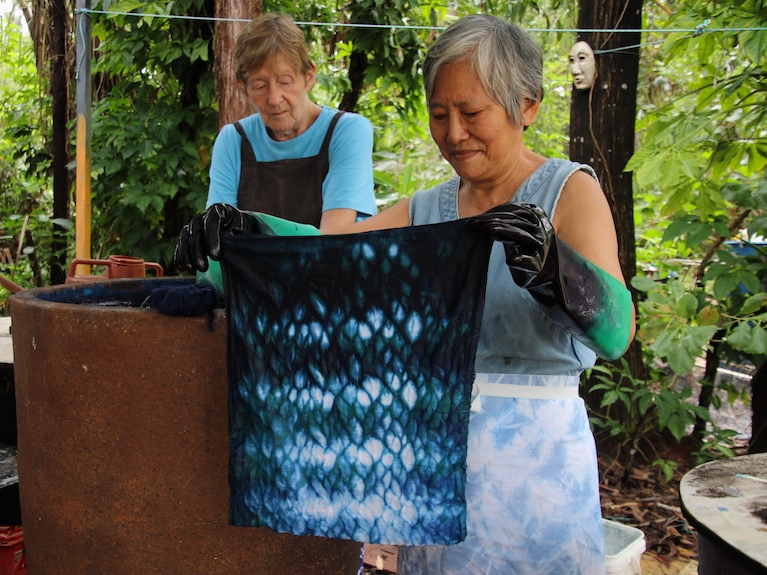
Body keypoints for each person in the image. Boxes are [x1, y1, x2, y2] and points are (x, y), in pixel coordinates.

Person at [176, 13, 635, 575]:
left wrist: (560, 275)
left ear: (528, 106)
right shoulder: (430, 211)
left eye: (471, 114)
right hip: (430, 470)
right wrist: (248, 234)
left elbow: (618, 333)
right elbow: (329, 258)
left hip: (536, 473)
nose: (454, 134)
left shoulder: (569, 192)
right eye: (440, 116)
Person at [207, 13, 377, 230]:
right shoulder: (233, 140)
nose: (274, 99)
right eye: (260, 86)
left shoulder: (348, 131)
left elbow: (332, 238)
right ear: (243, 85)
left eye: (285, 82)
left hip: (331, 262)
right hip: (252, 265)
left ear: (309, 76)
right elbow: (217, 235)